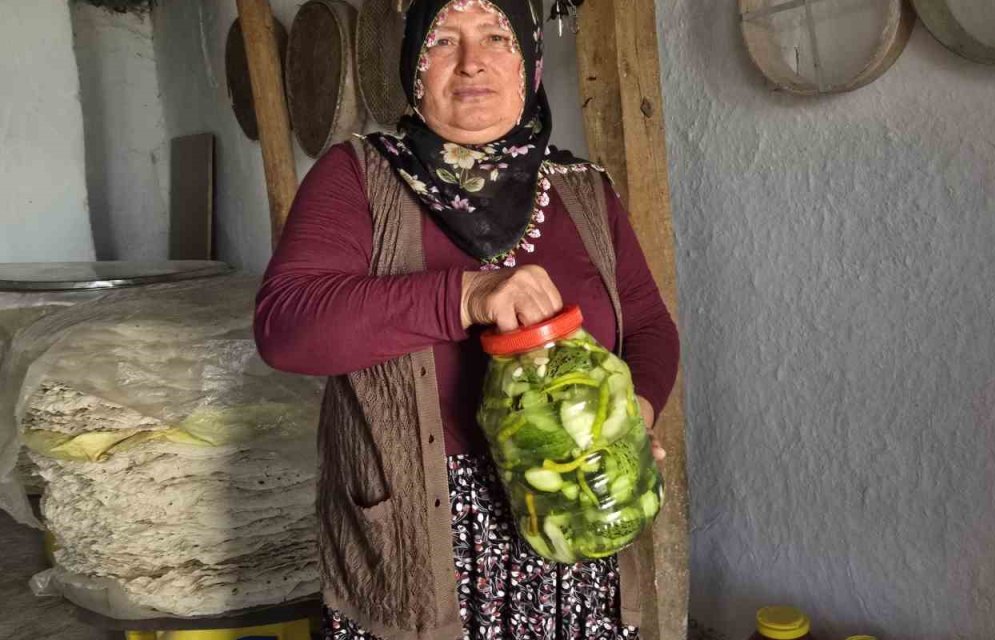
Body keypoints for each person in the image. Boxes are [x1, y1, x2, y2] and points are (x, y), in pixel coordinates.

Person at [253, 0, 679, 639]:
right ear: (413, 69)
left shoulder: (583, 189)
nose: (473, 62)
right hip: (423, 530)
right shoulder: (358, 177)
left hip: (568, 514)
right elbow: (287, 328)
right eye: (443, 42)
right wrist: (467, 297)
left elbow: (649, 327)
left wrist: (626, 424)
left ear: (530, 63)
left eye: (496, 38)